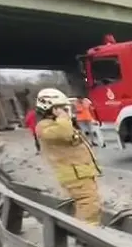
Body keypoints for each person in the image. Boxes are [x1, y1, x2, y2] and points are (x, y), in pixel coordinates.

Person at [35, 88, 103, 226]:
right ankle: (87, 236)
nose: (66, 112)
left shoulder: (57, 124)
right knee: (88, 203)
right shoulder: (45, 127)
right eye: (61, 108)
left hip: (80, 173)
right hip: (74, 175)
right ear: (51, 108)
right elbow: (65, 133)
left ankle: (87, 232)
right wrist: (63, 117)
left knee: (89, 203)